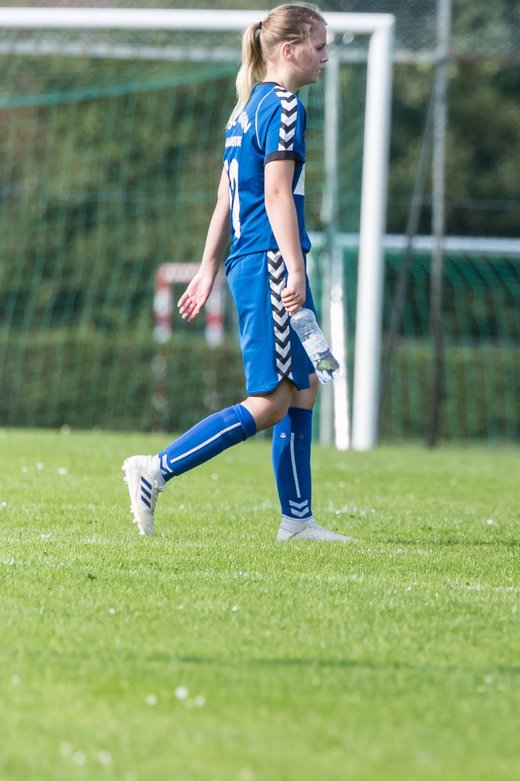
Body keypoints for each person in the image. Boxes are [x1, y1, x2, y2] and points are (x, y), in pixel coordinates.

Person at [122, 3, 350, 542]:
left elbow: (226, 197)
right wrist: (293, 265)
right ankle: (155, 469)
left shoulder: (244, 108)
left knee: (305, 384)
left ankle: (297, 521)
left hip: (257, 261)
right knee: (270, 400)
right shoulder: (285, 105)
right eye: (319, 46)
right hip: (272, 260)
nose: (324, 56)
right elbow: (275, 193)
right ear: (290, 49)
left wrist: (207, 267)